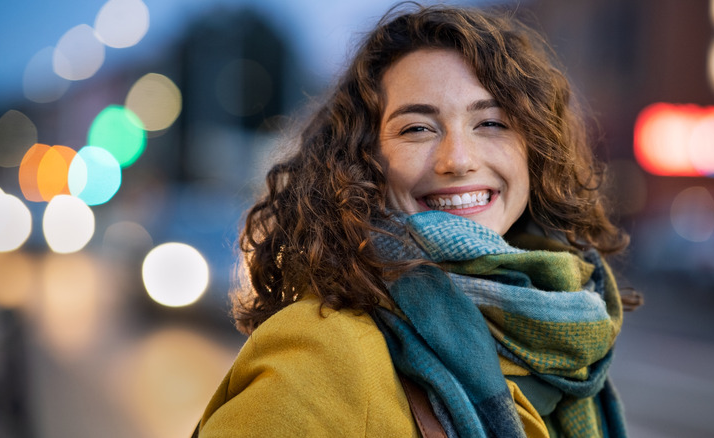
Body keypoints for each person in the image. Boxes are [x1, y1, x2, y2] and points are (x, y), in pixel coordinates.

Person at [195, 3, 638, 437]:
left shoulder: (571, 335)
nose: (458, 160)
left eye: (491, 123)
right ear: (361, 161)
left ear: (534, 148)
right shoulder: (323, 352)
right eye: (417, 129)